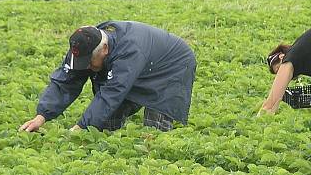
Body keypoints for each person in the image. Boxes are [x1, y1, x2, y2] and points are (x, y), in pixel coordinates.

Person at [20, 21, 196, 133]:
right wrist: (41, 116)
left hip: (172, 66)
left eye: (89, 62)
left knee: (155, 131)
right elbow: (65, 82)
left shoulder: (129, 51)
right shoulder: (83, 46)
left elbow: (112, 93)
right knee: (103, 127)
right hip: (141, 64)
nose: (86, 67)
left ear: (104, 49)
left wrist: (81, 127)